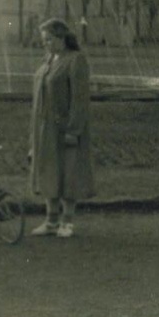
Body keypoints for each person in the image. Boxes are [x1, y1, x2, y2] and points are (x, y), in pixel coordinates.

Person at [29, 18, 95, 238]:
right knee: (49, 172)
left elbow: (80, 99)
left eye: (48, 39)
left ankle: (67, 222)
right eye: (43, 40)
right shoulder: (49, 60)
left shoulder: (76, 60)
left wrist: (74, 130)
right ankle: (51, 221)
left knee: (69, 172)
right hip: (44, 128)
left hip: (65, 128)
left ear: (61, 37)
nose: (45, 43)